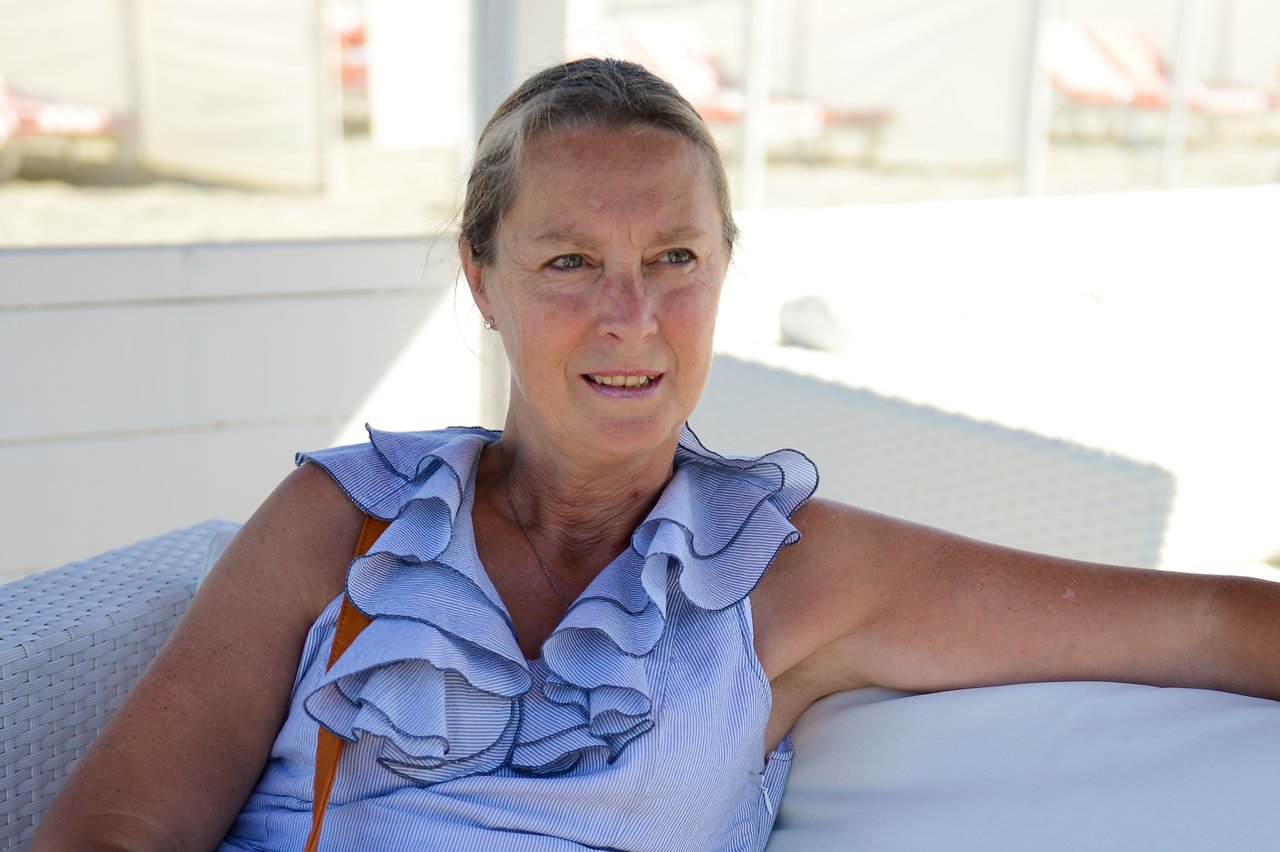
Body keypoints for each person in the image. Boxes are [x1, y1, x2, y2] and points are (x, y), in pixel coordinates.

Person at [32, 57, 1280, 852]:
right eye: (570, 261)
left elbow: (1215, 629)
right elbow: (114, 832)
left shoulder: (793, 575)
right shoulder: (340, 519)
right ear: (482, 277)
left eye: (672, 260)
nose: (630, 317)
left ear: (723, 268)